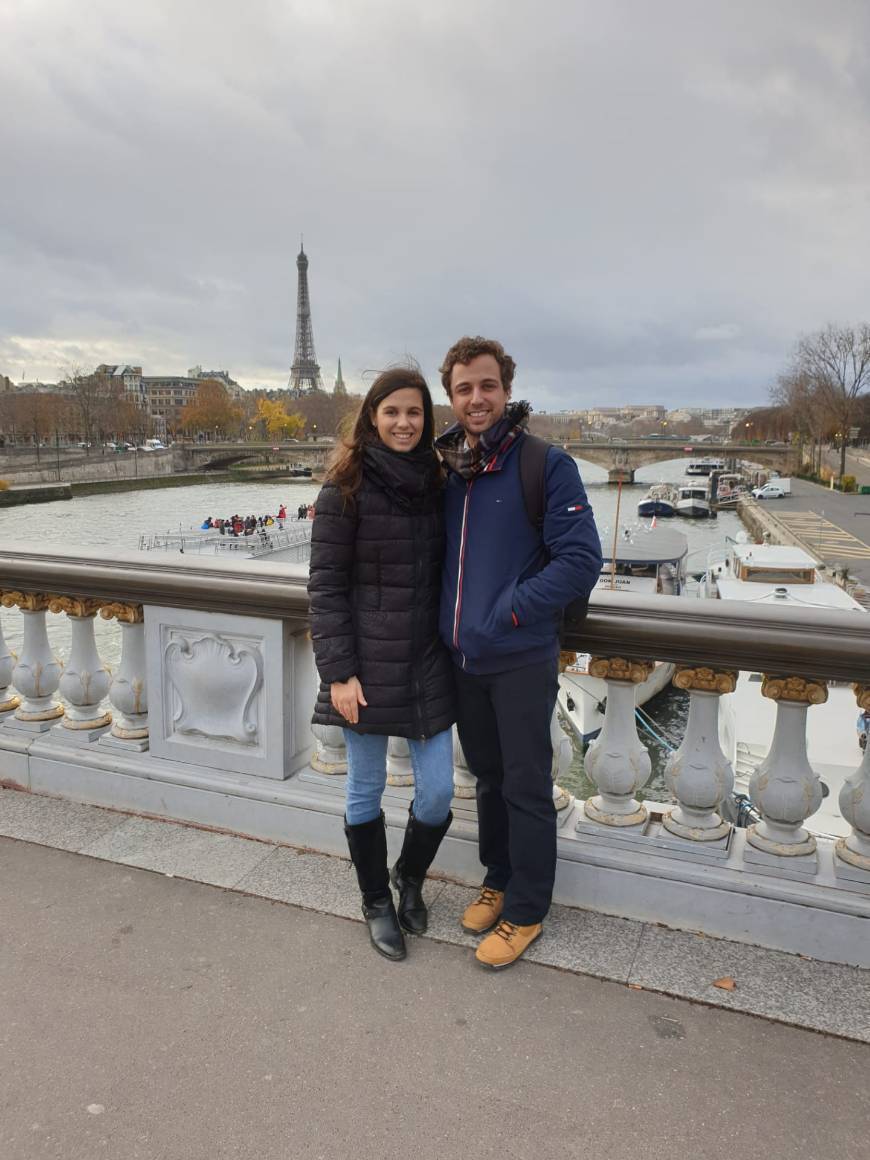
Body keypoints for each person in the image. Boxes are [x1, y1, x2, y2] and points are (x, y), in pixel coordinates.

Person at [436, 335, 602, 970]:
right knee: (488, 780)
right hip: (464, 658)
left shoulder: (544, 464)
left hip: (519, 655)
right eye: (463, 389)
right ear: (450, 397)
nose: (476, 399)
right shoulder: (447, 469)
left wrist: (506, 609)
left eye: (486, 386)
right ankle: (498, 878)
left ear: (505, 390)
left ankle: (527, 910)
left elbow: (582, 560)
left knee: (527, 786)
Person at [308, 365, 456, 962]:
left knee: (440, 793)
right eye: (392, 411)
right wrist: (339, 674)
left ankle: (409, 877)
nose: (404, 422)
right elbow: (325, 590)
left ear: (427, 420)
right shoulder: (343, 488)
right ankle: (375, 901)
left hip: (425, 661)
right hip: (365, 668)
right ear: (373, 416)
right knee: (365, 789)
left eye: (415, 412)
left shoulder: (442, 484)